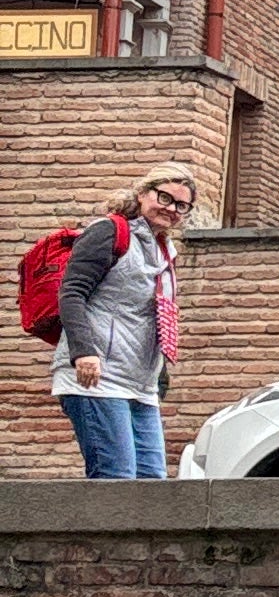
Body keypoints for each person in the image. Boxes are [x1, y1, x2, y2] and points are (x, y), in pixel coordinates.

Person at [52, 161, 196, 478]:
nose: (172, 209)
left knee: (151, 484)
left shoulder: (165, 250)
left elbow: (153, 316)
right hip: (97, 378)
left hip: (141, 386)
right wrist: (83, 352)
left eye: (182, 205)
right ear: (143, 193)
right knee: (116, 480)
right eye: (165, 198)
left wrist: (159, 377)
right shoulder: (109, 231)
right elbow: (72, 292)